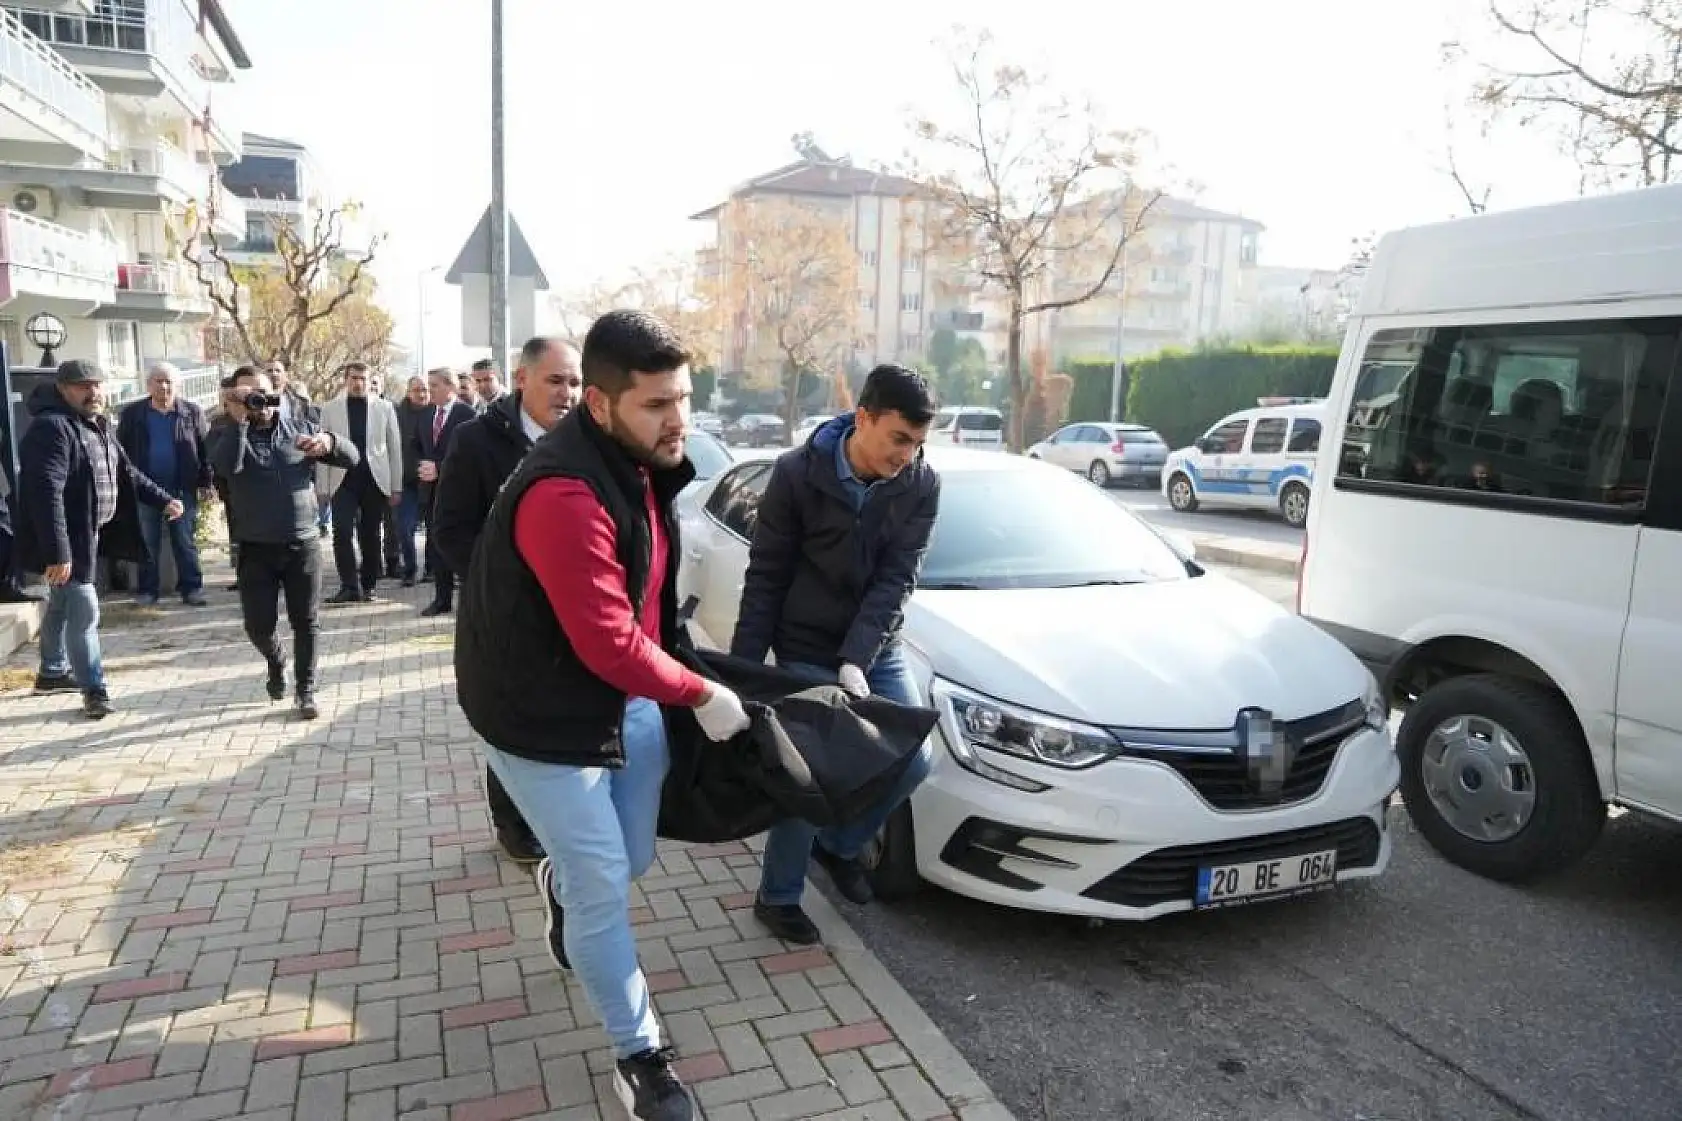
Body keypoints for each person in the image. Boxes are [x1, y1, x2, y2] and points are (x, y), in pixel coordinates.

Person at [454, 310, 750, 1121]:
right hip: (535, 718)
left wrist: (681, 668)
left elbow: (644, 611)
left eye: (683, 398)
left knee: (629, 861)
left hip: (623, 699)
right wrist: (701, 693)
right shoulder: (563, 492)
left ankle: (560, 881)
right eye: (657, 404)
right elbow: (610, 639)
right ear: (600, 404)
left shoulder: (640, 466)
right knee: (602, 887)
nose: (677, 419)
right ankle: (640, 1053)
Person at [730, 363, 942, 945]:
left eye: (919, 443)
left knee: (912, 760)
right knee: (809, 776)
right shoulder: (798, 474)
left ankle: (840, 846)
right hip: (802, 644)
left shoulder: (921, 484)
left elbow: (897, 578)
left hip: (876, 646)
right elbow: (767, 576)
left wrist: (858, 656)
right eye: (899, 438)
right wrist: (744, 675)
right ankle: (777, 897)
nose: (907, 455)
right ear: (864, 417)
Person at [432, 336, 581, 865]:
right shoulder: (477, 441)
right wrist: (500, 583)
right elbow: (449, 529)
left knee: (562, 716)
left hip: (572, 614)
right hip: (505, 617)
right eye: (555, 380)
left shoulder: (590, 441)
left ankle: (562, 815)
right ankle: (513, 824)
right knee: (511, 722)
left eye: (575, 382)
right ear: (522, 379)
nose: (567, 393)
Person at [14, 360, 184, 719]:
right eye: (81, 386)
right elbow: (46, 494)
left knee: (62, 607)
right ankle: (94, 689)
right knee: (85, 611)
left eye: (96, 385)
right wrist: (58, 553)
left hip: (86, 536)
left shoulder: (96, 425)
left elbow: (127, 473)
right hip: (65, 541)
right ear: (62, 389)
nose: (92, 392)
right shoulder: (52, 428)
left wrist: (163, 499)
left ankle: (51, 672)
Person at [208, 366, 360, 720]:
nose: (259, 401)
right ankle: (276, 661)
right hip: (255, 547)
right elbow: (227, 465)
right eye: (249, 395)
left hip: (301, 544)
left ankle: (305, 691)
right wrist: (239, 419)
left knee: (306, 621)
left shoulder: (299, 428)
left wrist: (330, 443)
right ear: (234, 397)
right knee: (257, 626)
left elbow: (352, 458)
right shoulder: (222, 433)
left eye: (263, 392)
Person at [116, 362, 212, 607]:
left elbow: (204, 450)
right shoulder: (132, 414)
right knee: (148, 543)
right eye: (158, 380)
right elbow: (120, 452)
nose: (164, 386)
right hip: (145, 491)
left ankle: (192, 588)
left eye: (169, 381)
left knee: (185, 541)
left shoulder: (192, 412)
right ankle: (148, 591)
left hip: (182, 488)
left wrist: (206, 481)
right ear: (148, 385)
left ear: (177, 385)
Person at [318, 362, 403, 604]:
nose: (358, 383)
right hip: (341, 479)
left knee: (370, 534)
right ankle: (348, 586)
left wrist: (395, 486)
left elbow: (394, 449)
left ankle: (368, 585)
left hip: (373, 479)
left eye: (363, 378)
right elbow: (322, 450)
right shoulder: (330, 408)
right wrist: (322, 488)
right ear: (345, 379)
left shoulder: (384, 408)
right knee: (341, 531)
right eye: (354, 378)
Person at [413, 367, 476, 616]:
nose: (429, 391)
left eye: (435, 385)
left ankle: (471, 600)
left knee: (460, 545)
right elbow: (415, 445)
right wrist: (421, 466)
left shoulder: (467, 414)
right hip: (430, 492)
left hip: (459, 491)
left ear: (450, 386)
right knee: (436, 543)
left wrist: (439, 468)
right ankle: (442, 598)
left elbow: (471, 455)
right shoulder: (426, 414)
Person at [392, 375, 430, 587]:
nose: (422, 394)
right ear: (408, 392)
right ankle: (409, 569)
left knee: (434, 530)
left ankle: (432, 569)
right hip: (406, 481)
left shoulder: (435, 412)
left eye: (425, 390)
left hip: (430, 480)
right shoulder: (397, 414)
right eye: (417, 390)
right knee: (405, 528)